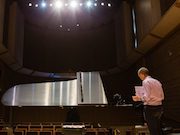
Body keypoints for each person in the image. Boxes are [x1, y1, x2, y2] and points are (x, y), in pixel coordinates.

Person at [132, 67, 164, 135]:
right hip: (159, 107)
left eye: (139, 76)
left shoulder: (145, 81)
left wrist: (139, 98)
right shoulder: (157, 81)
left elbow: (147, 97)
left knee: (152, 129)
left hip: (150, 108)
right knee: (158, 128)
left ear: (141, 74)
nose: (140, 77)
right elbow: (162, 95)